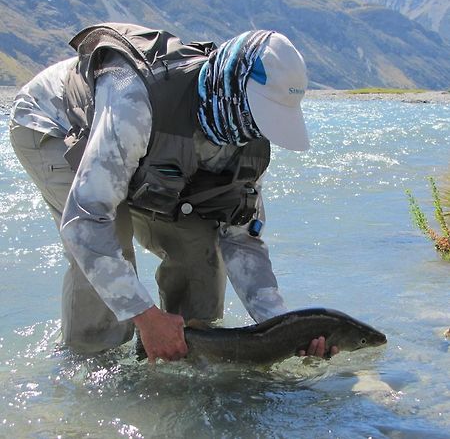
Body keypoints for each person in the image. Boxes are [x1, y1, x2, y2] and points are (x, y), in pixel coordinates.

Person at [10, 23, 337, 362]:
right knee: (111, 243)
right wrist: (145, 315)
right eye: (258, 114)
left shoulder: (245, 136)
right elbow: (86, 223)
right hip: (55, 122)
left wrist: (282, 329)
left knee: (201, 250)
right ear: (231, 91)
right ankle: (89, 367)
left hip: (148, 157)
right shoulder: (133, 102)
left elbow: (241, 238)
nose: (257, 129)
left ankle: (184, 358)